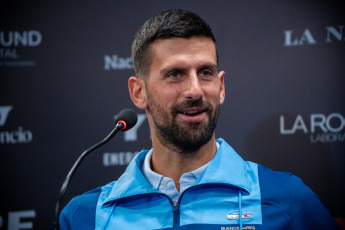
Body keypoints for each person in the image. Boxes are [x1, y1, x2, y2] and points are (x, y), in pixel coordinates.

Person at [59, 9, 340, 230]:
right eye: (175, 74)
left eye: (205, 72)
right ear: (138, 92)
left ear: (221, 87)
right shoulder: (85, 215)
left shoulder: (288, 200)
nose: (194, 90)